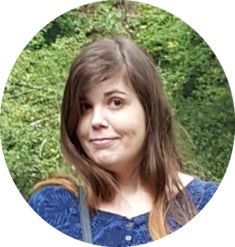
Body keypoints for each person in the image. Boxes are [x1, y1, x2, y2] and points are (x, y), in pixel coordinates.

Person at [28, 36, 219, 246]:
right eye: (85, 107)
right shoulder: (50, 208)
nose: (96, 121)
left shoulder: (208, 204)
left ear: (149, 111)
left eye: (116, 102)